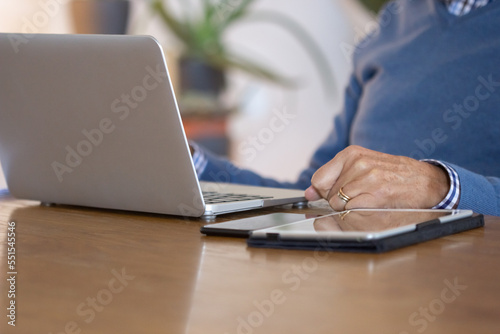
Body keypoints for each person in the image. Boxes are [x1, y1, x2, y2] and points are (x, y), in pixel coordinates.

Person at [191, 0, 500, 216]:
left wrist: (438, 187)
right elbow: (311, 193)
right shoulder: (396, 20)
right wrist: (191, 165)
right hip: (358, 279)